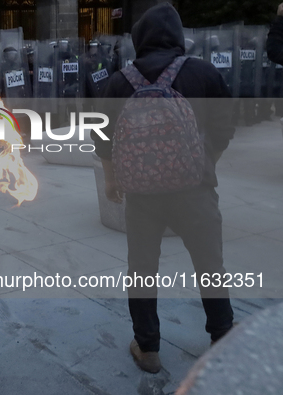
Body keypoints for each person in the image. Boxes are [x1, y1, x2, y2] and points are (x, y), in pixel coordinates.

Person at [93, 3, 235, 373]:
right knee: (210, 264)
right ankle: (222, 336)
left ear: (139, 39)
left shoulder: (119, 81)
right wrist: (205, 165)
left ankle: (148, 348)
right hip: (195, 191)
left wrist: (111, 179)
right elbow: (225, 127)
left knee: (142, 267)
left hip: (142, 196)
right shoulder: (203, 73)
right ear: (177, 35)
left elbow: (102, 137)